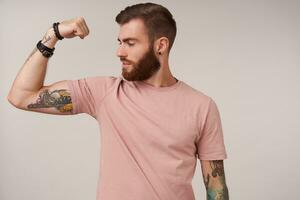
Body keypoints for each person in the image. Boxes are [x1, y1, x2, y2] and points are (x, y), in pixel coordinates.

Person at [7, 2, 229, 200]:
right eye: (119, 42)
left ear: (160, 45)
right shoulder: (105, 92)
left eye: (130, 43)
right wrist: (53, 34)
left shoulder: (202, 106)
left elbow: (216, 188)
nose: (119, 52)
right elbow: (21, 96)